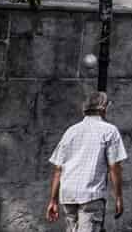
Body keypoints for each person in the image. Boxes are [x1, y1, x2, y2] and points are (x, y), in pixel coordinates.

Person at [46, 91, 127, 232]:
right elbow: (114, 167)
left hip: (68, 195)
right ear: (103, 108)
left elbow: (58, 169)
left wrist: (53, 200)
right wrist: (118, 197)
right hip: (91, 194)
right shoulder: (109, 131)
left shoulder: (71, 131)